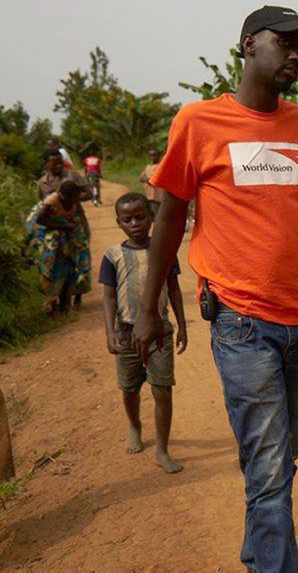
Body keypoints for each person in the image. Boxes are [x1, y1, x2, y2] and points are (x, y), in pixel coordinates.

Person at [133, 5, 298, 573]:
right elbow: (171, 219)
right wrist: (150, 305)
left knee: (279, 459)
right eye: (287, 43)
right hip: (241, 320)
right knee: (271, 467)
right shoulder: (199, 123)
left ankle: (258, 552)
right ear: (249, 45)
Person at [100, 192, 187, 472]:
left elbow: (173, 290)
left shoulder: (165, 250)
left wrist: (182, 325)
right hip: (126, 333)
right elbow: (109, 297)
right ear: (119, 223)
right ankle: (135, 426)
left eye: (141, 217)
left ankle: (162, 449)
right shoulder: (112, 255)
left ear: (151, 219)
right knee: (129, 388)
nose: (135, 224)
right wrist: (110, 332)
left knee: (162, 389)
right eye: (128, 220)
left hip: (159, 332)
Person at [23, 180, 92, 314]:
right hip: (48, 229)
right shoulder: (51, 201)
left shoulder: (74, 201)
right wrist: (63, 227)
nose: (78, 199)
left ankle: (71, 298)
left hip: (65, 230)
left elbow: (74, 220)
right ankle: (51, 301)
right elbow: (40, 220)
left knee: (77, 257)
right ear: (67, 196)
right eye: (76, 196)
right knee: (50, 262)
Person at [36, 147, 92, 308]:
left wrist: (73, 198)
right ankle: (58, 297)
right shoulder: (42, 183)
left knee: (78, 256)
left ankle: (77, 295)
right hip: (54, 229)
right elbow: (40, 206)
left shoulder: (73, 176)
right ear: (46, 164)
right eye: (55, 164)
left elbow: (88, 192)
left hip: (76, 224)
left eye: (61, 163)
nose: (60, 166)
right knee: (58, 260)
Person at [140, 149, 162, 215]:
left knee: (158, 210)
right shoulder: (148, 167)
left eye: (155, 155)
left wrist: (149, 179)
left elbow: (158, 178)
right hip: (149, 193)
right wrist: (148, 179)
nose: (153, 157)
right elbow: (141, 178)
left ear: (158, 156)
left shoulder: (160, 166)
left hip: (159, 194)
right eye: (151, 155)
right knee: (152, 209)